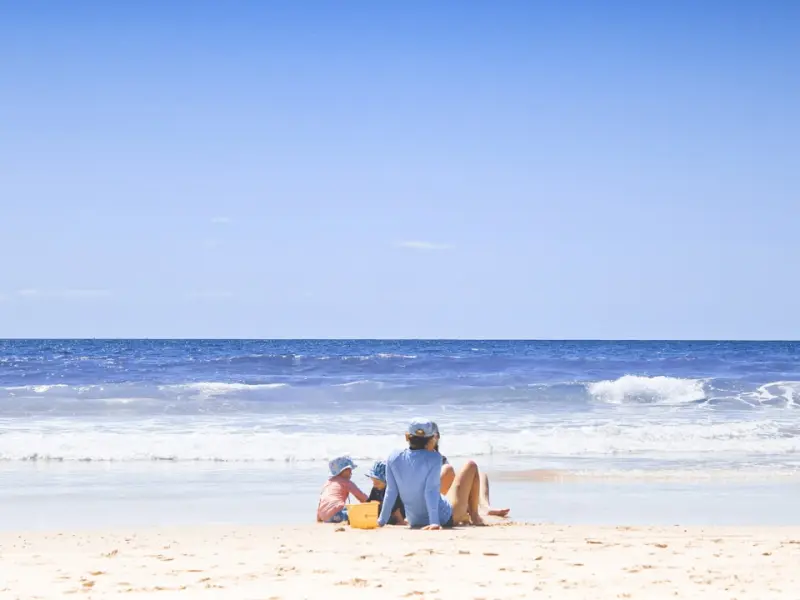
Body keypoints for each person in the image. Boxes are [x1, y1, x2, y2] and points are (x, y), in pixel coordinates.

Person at [378, 419, 486, 529]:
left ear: (407, 436)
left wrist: (381, 521)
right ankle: (475, 516)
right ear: (431, 439)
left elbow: (391, 491)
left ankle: (467, 513)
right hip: (444, 517)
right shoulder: (434, 458)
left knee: (446, 480)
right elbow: (431, 491)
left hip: (413, 520)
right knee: (471, 465)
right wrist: (435, 522)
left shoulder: (393, 457)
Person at [431, 421, 510, 518]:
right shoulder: (422, 458)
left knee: (481, 475)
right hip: (436, 499)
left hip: (442, 495)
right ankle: (473, 511)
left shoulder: (440, 458)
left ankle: (485, 507)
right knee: (454, 470)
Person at [316, 456, 369, 524]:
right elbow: (361, 497)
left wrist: (319, 519)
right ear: (342, 471)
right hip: (336, 514)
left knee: (344, 508)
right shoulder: (346, 482)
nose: (351, 473)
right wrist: (372, 504)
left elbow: (321, 502)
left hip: (323, 515)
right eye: (349, 470)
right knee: (358, 513)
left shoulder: (327, 483)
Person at [365, 460, 406, 525]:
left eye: (377, 483)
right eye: (373, 482)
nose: (374, 485)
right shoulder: (375, 489)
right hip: (383, 513)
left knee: (394, 508)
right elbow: (369, 502)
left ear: (387, 481)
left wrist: (401, 521)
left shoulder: (392, 491)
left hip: (396, 513)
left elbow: (397, 507)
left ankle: (400, 521)